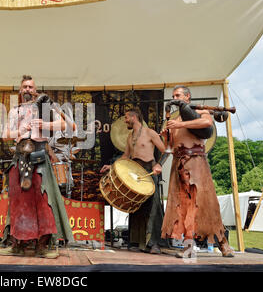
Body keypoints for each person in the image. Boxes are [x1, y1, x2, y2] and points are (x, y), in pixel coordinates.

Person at [0, 75, 73, 258]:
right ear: (20, 90)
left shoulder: (44, 108)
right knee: (18, 203)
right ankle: (17, 245)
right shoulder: (15, 111)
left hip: (39, 157)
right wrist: (19, 131)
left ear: (35, 90)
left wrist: (45, 124)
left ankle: (43, 246)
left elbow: (65, 125)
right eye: (25, 87)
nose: (28, 90)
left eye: (31, 87)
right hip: (20, 157)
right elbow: (6, 134)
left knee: (43, 202)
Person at [160, 85, 234, 258]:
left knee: (208, 205)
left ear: (187, 97)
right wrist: (166, 136)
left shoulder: (201, 111)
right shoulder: (174, 119)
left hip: (197, 162)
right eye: (173, 95)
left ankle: (224, 245)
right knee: (185, 209)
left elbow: (207, 124)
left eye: (178, 95)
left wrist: (181, 124)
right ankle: (188, 248)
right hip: (179, 164)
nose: (174, 97)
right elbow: (169, 148)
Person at [100, 108, 166, 254]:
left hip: (149, 170)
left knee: (152, 207)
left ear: (134, 117)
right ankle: (136, 241)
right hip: (134, 171)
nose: (125, 121)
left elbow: (165, 150)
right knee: (136, 205)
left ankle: (154, 244)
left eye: (126, 118)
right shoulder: (130, 136)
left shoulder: (149, 133)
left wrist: (159, 165)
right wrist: (112, 165)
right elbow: (126, 156)